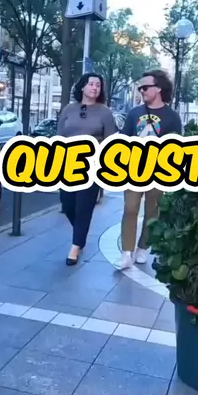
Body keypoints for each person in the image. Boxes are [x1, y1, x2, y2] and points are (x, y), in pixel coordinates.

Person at [116, 69, 182, 270]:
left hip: (158, 172)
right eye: (140, 88)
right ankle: (126, 253)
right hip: (134, 170)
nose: (142, 91)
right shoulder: (134, 113)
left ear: (158, 88)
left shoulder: (172, 117)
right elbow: (124, 140)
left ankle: (143, 247)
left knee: (152, 212)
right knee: (130, 209)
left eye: (145, 87)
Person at [58, 73, 116, 265]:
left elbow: (110, 141)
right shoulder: (69, 109)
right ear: (82, 86)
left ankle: (75, 247)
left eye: (98, 85)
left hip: (91, 166)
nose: (94, 88)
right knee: (68, 205)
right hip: (67, 164)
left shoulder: (105, 112)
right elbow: (59, 136)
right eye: (91, 84)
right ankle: (80, 234)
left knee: (84, 207)